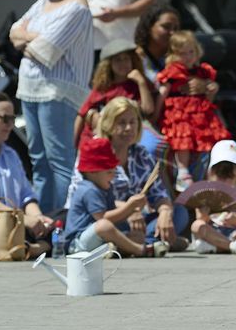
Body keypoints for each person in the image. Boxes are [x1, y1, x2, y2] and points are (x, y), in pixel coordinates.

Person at [10, 0, 94, 213]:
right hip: (32, 88)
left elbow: (47, 50)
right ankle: (46, 222)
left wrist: (28, 38)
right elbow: (14, 32)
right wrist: (33, 38)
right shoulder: (47, 0)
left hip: (58, 92)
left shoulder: (77, 8)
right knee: (39, 160)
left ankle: (66, 220)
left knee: (59, 159)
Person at [65, 98, 190, 252]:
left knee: (179, 213)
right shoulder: (95, 150)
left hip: (136, 220)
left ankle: (143, 243)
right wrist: (128, 210)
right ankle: (152, 243)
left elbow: (158, 194)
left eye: (133, 122)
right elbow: (86, 195)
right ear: (108, 124)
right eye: (121, 123)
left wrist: (165, 213)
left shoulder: (141, 154)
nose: (128, 128)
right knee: (109, 226)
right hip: (100, 219)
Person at [0, 91, 54, 259]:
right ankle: (31, 247)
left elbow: (27, 195)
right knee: (2, 230)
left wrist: (37, 217)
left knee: (58, 219)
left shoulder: (10, 153)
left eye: (12, 119)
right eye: (4, 118)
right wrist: (22, 219)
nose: (10, 124)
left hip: (11, 221)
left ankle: (26, 247)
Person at [63, 137, 168, 258]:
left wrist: (134, 209)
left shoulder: (104, 188)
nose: (113, 176)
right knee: (104, 226)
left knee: (137, 236)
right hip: (78, 243)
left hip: (99, 238)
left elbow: (114, 214)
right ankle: (141, 251)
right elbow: (103, 218)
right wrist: (129, 206)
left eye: (114, 171)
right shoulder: (88, 190)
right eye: (109, 172)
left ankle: (113, 250)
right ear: (92, 172)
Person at [156, 30, 231, 189]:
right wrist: (155, 115)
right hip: (180, 112)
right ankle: (183, 171)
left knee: (214, 138)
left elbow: (207, 101)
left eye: (191, 52)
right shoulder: (173, 71)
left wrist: (211, 91)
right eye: (182, 53)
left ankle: (214, 175)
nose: (188, 56)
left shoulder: (203, 71)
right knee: (183, 138)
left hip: (200, 113)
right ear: (174, 55)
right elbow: (163, 93)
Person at [74, 39, 155, 146]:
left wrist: (141, 83)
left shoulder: (138, 84)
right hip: (98, 138)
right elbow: (82, 113)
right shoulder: (103, 87)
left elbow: (148, 109)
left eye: (126, 59)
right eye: (118, 60)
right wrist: (75, 143)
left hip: (127, 135)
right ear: (109, 65)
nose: (123, 63)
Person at [190, 140, 236, 255]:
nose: (225, 182)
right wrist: (204, 215)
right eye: (221, 176)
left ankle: (217, 247)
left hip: (231, 232)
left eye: (230, 177)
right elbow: (200, 219)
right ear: (210, 173)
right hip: (211, 232)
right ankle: (230, 246)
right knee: (197, 225)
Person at [134, 4, 181, 85]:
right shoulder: (133, 58)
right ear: (149, 26)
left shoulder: (182, 57)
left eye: (176, 28)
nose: (172, 33)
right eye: (166, 27)